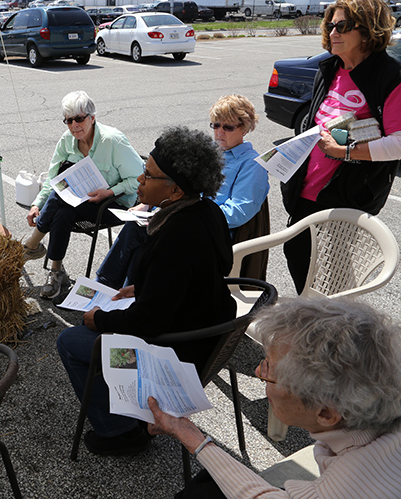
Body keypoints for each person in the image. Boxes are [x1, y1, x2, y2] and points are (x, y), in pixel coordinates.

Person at [57, 126, 236, 457]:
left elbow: (148, 323)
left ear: (176, 190)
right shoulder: (206, 211)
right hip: (204, 336)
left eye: (148, 175)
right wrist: (147, 285)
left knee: (71, 341)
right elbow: (202, 273)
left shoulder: (176, 237)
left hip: (172, 356)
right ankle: (130, 412)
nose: (139, 180)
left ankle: (120, 431)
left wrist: (100, 320)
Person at [148, 298, 401, 499]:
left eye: (270, 372)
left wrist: (192, 437)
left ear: (326, 414)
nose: (258, 372)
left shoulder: (350, 484)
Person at [281, 0, 401, 294]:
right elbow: (315, 120)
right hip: (306, 188)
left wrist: (343, 152)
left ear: (368, 30)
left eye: (342, 26)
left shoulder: (389, 76)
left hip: (347, 193)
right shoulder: (330, 69)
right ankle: (312, 317)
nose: (332, 33)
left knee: (335, 271)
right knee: (297, 255)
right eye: (331, 25)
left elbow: (398, 143)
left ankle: (332, 331)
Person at [96, 95, 270, 289]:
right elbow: (178, 185)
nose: (220, 132)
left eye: (228, 127)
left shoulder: (252, 165)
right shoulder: (210, 151)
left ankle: (108, 290)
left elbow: (238, 212)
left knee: (143, 235)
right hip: (188, 219)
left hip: (214, 232)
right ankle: (115, 295)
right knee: (140, 236)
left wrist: (187, 217)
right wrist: (149, 204)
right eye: (215, 125)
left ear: (245, 128)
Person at [21, 90, 144, 299]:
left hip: (116, 204)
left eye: (79, 119)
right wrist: (37, 204)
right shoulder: (66, 140)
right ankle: (56, 271)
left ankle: (32, 246)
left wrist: (109, 192)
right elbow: (53, 178)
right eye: (68, 121)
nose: (73, 126)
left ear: (92, 118)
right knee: (62, 209)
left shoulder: (113, 141)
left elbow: (140, 179)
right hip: (78, 202)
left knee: (61, 200)